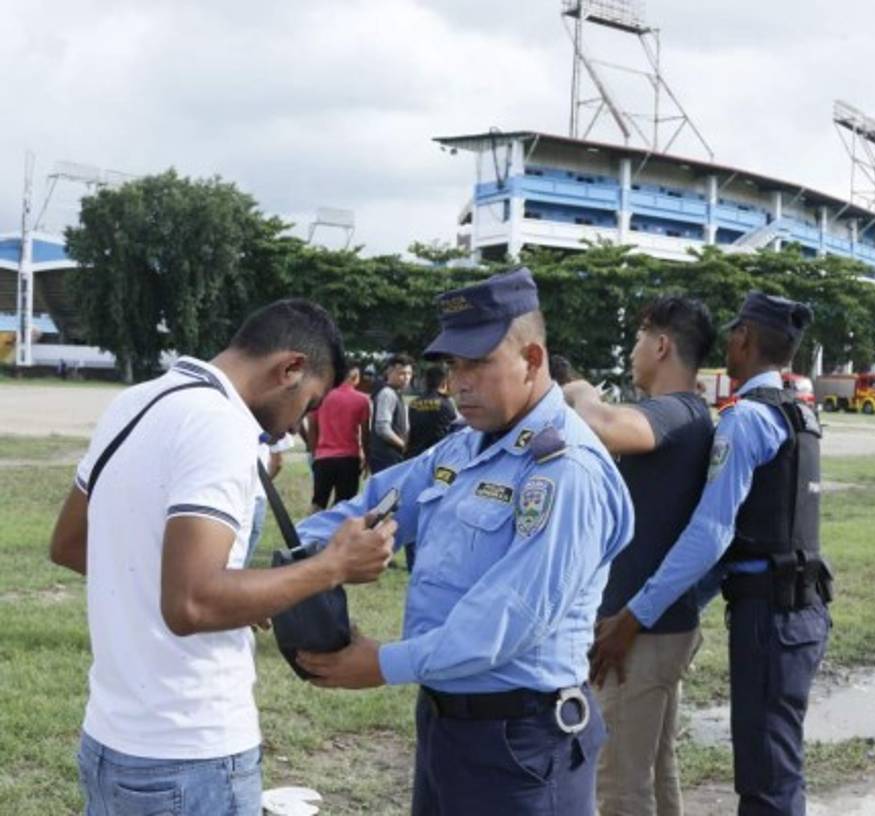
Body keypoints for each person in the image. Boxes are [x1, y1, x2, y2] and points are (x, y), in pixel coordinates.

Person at [293, 268, 634, 816]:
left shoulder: (564, 471)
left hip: (521, 743)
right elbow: (370, 507)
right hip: (449, 725)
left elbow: (505, 621)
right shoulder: (462, 450)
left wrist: (381, 663)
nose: (460, 382)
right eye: (454, 365)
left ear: (532, 360)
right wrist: (287, 568)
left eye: (478, 363)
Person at [48, 299, 397, 815]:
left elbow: (73, 544)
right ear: (290, 369)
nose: (299, 428)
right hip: (188, 756)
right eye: (309, 405)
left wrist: (238, 594)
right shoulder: (223, 426)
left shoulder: (139, 400)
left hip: (113, 744)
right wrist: (332, 566)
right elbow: (190, 603)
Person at [595, 291, 831, 815]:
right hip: (795, 607)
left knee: (766, 779)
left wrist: (636, 616)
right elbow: (749, 534)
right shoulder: (797, 413)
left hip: (770, 614)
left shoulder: (745, 419)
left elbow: (713, 533)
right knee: (764, 767)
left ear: (743, 338)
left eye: (732, 333)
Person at [563, 296, 716, 816]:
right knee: (654, 768)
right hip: (660, 624)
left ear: (661, 344)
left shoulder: (673, 411)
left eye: (636, 340)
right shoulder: (693, 413)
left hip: (641, 633)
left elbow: (602, 423)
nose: (631, 352)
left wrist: (578, 387)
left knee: (620, 784)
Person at [308, 361, 371, 511]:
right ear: (354, 377)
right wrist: (367, 457)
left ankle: (309, 532)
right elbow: (365, 433)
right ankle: (338, 531)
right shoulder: (362, 400)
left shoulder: (321, 396)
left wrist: (313, 452)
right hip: (349, 458)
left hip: (323, 457)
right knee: (346, 504)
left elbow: (312, 427)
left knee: (318, 501)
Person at [367, 355, 412, 475]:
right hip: (385, 458)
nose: (406, 377)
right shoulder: (387, 393)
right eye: (401, 373)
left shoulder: (397, 394)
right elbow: (382, 429)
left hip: (393, 457)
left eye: (409, 374)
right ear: (389, 372)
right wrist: (404, 446)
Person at [406, 365, 459, 459]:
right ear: (444, 382)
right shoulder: (446, 403)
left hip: (415, 456)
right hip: (438, 456)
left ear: (426, 382)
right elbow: (456, 429)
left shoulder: (413, 403)